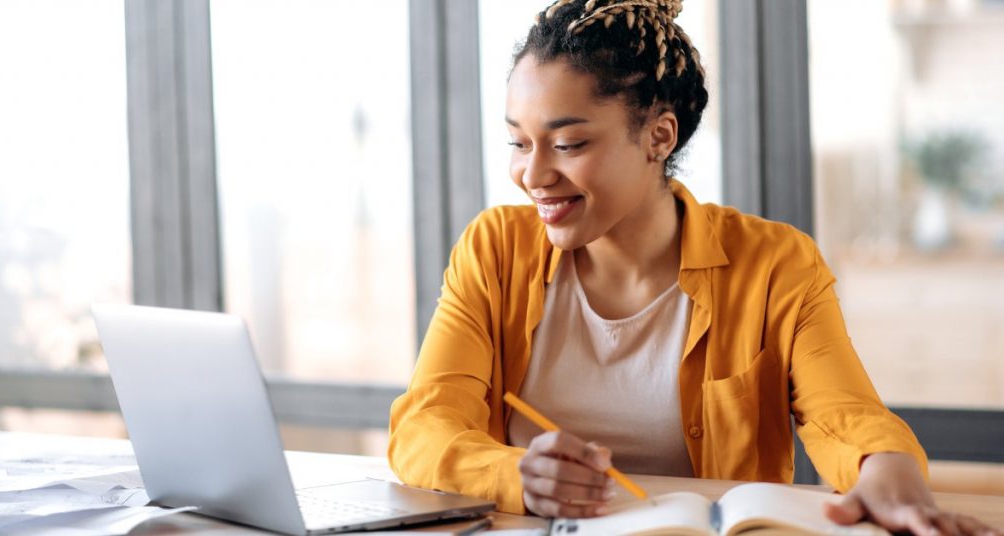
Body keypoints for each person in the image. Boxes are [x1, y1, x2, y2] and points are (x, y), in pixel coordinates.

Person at [388, 1, 1001, 534]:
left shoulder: (775, 264)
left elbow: (846, 414)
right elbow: (425, 425)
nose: (533, 173)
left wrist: (886, 467)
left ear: (658, 136)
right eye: (519, 142)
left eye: (568, 144)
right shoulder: (493, 249)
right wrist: (514, 474)